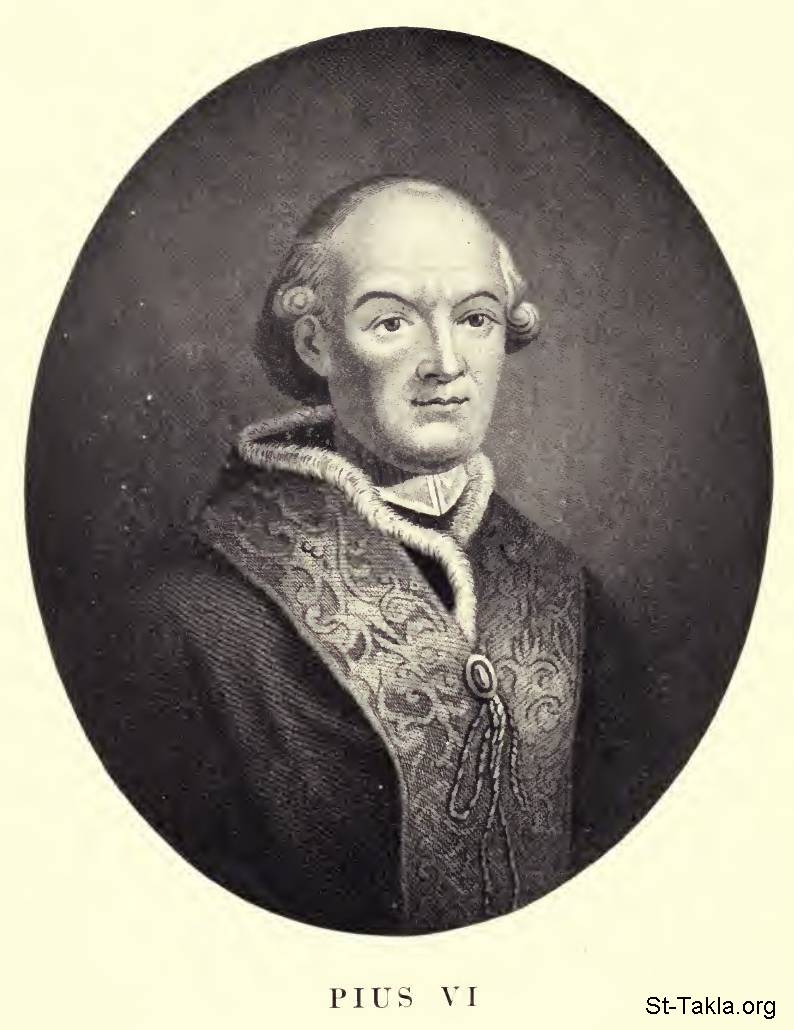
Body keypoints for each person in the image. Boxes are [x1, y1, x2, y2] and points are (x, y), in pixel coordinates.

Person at [91, 176, 623, 934]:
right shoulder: (189, 616)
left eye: (475, 318)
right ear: (316, 344)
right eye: (392, 323)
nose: (446, 362)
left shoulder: (563, 589)